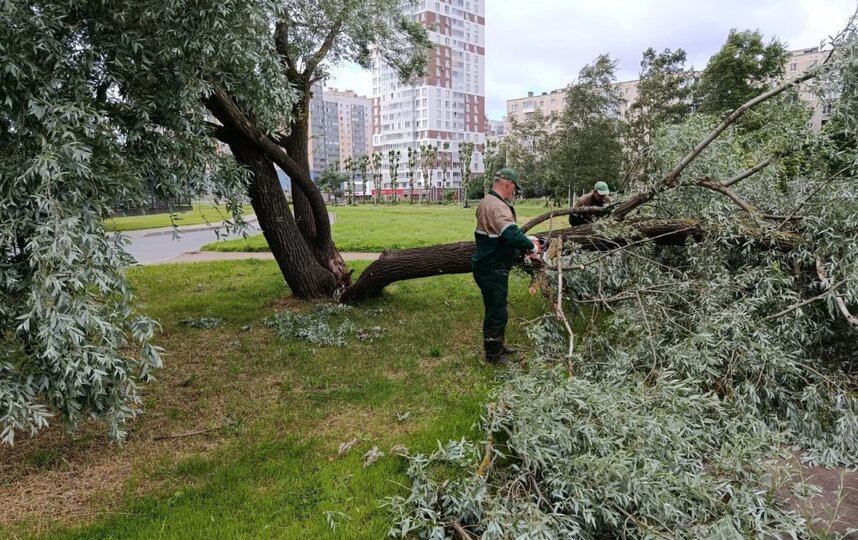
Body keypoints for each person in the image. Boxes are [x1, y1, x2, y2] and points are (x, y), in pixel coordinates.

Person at [472, 168, 541, 364]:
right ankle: (493, 355)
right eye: (514, 188)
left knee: (498, 306)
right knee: (496, 311)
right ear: (508, 184)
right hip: (491, 266)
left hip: (488, 264)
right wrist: (531, 246)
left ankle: (498, 345)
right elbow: (510, 233)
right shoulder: (497, 206)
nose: (514, 192)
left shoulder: (487, 201)